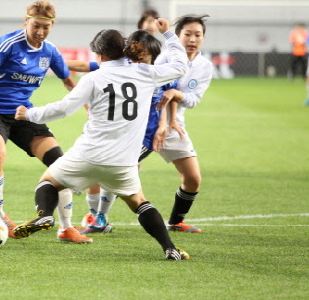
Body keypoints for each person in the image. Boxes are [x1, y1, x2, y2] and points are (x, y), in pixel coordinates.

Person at [12, 22, 190, 260]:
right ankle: (170, 248)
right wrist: (168, 33)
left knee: (49, 181)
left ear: (100, 54)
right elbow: (181, 66)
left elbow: (64, 109)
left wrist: (29, 114)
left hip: (88, 154)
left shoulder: (94, 78)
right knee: (138, 201)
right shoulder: (146, 73)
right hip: (124, 161)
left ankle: (45, 214)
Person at [0, 0, 91, 244]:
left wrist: (86, 105)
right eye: (36, 25)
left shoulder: (49, 51)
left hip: (23, 113)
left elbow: (68, 80)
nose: (40, 32)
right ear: (26, 21)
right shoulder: (8, 44)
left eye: (46, 26)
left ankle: (66, 227)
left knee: (59, 163)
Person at [153, 14, 213, 233]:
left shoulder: (204, 67)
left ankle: (176, 221)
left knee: (192, 178)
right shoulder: (164, 57)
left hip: (174, 125)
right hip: (148, 123)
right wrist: (162, 120)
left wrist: (177, 94)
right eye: (187, 34)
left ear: (203, 39)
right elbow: (158, 92)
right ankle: (98, 217)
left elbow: (193, 100)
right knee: (122, 171)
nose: (192, 39)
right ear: (178, 37)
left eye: (197, 35)